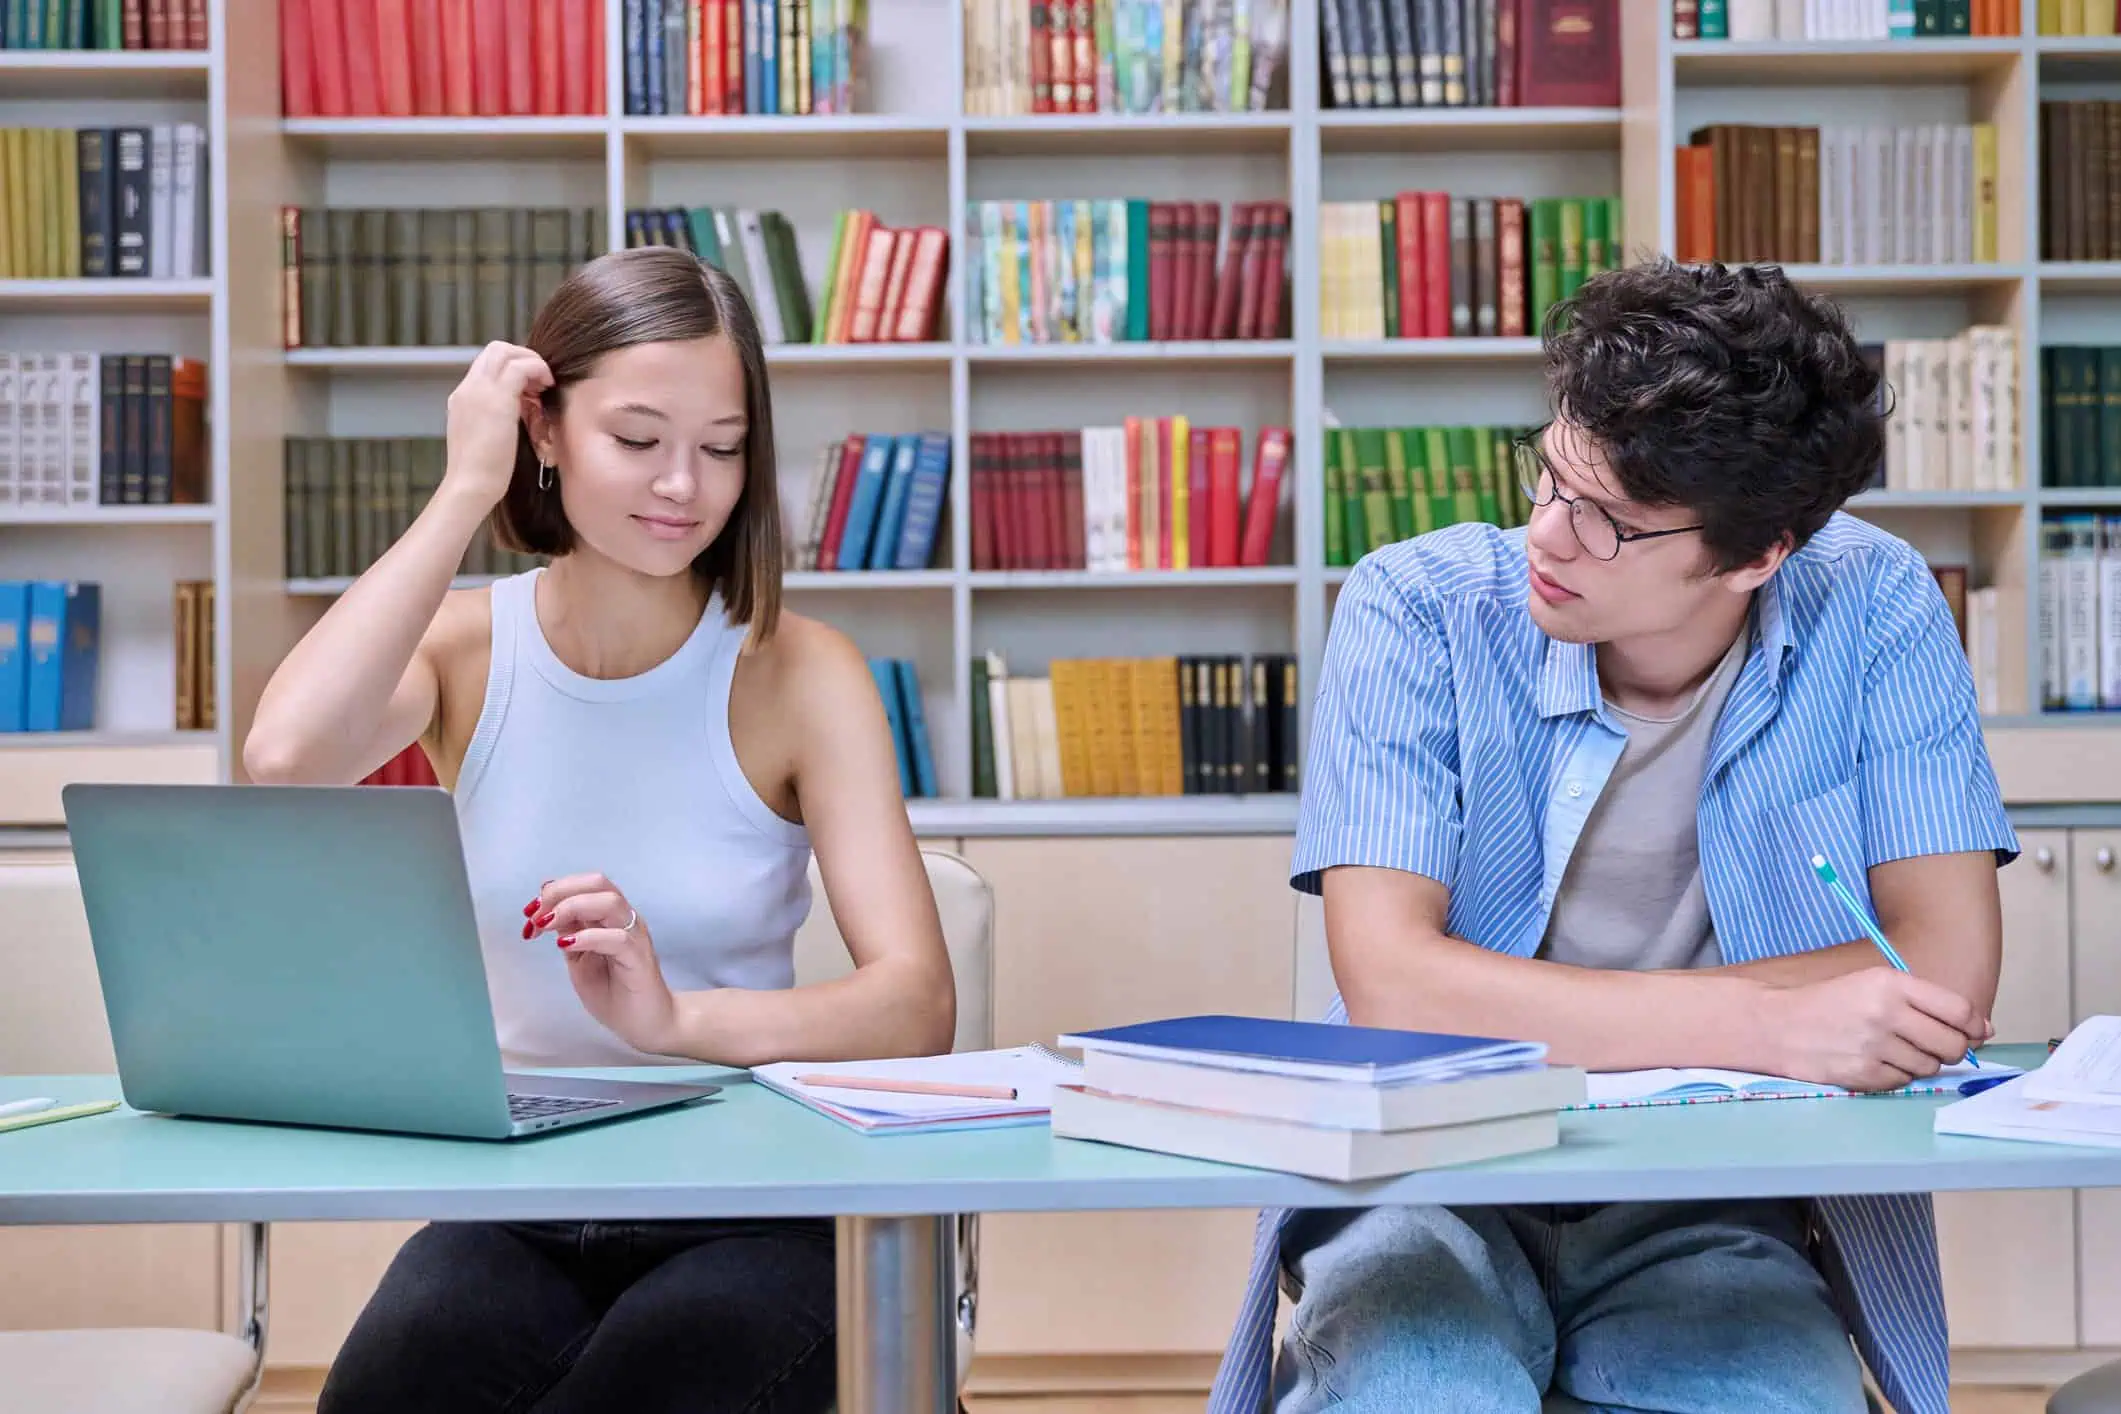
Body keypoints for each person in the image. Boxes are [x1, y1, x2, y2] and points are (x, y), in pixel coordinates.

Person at [1208, 258, 2018, 1414]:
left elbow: (1939, 973)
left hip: (1718, 1185)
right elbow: (1392, 984)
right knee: (1420, 1392)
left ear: (1756, 555)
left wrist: (1511, 1005)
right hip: (1431, 1168)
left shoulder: (1878, 603)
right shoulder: (1415, 605)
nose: (1548, 534)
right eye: (1550, 473)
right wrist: (1772, 1024)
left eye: (1610, 523)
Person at [242, 244, 958, 1413]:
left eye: (722, 447)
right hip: (519, 1198)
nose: (683, 484)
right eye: (637, 438)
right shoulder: (467, 650)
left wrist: (674, 1021)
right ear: (545, 428)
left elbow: (916, 1005)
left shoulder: (802, 672)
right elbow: (284, 759)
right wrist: (463, 490)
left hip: (751, 1196)